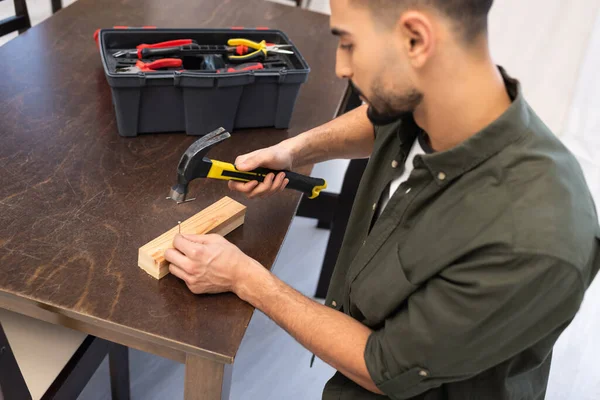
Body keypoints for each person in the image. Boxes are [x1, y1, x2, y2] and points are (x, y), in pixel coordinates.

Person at [164, 0, 600, 398]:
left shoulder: (538, 241)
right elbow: (383, 114)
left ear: (415, 39)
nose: (341, 67)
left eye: (350, 44)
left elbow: (383, 365)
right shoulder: (436, 95)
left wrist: (247, 279)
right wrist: (296, 151)